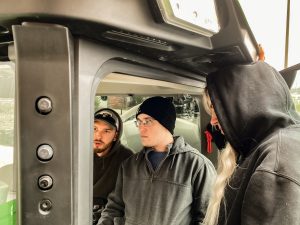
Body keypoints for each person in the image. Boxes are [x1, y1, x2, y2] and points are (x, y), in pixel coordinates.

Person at [202, 61, 300, 225]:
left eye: (217, 108)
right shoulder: (269, 145)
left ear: (243, 103)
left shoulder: (276, 161)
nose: (212, 120)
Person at [98, 96, 216, 225]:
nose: (141, 128)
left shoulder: (197, 165)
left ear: (165, 123)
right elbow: (114, 209)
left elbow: (207, 218)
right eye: (139, 121)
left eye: (147, 121)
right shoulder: (129, 164)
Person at [93, 108, 133, 225]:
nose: (98, 136)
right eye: (94, 128)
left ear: (115, 135)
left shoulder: (128, 159)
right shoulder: (78, 155)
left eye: (106, 131)